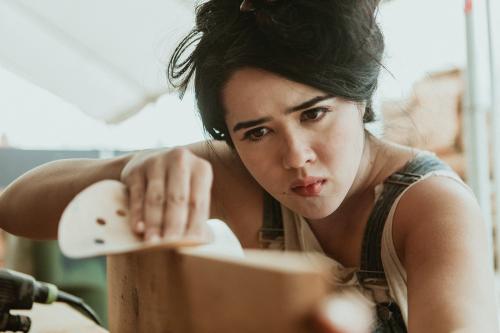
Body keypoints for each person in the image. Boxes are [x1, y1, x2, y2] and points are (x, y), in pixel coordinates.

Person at [0, 0, 498, 331]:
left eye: (314, 114)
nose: (296, 156)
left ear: (360, 98)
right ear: (230, 139)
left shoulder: (431, 207)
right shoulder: (235, 177)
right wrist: (135, 172)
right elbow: (15, 207)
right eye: (256, 131)